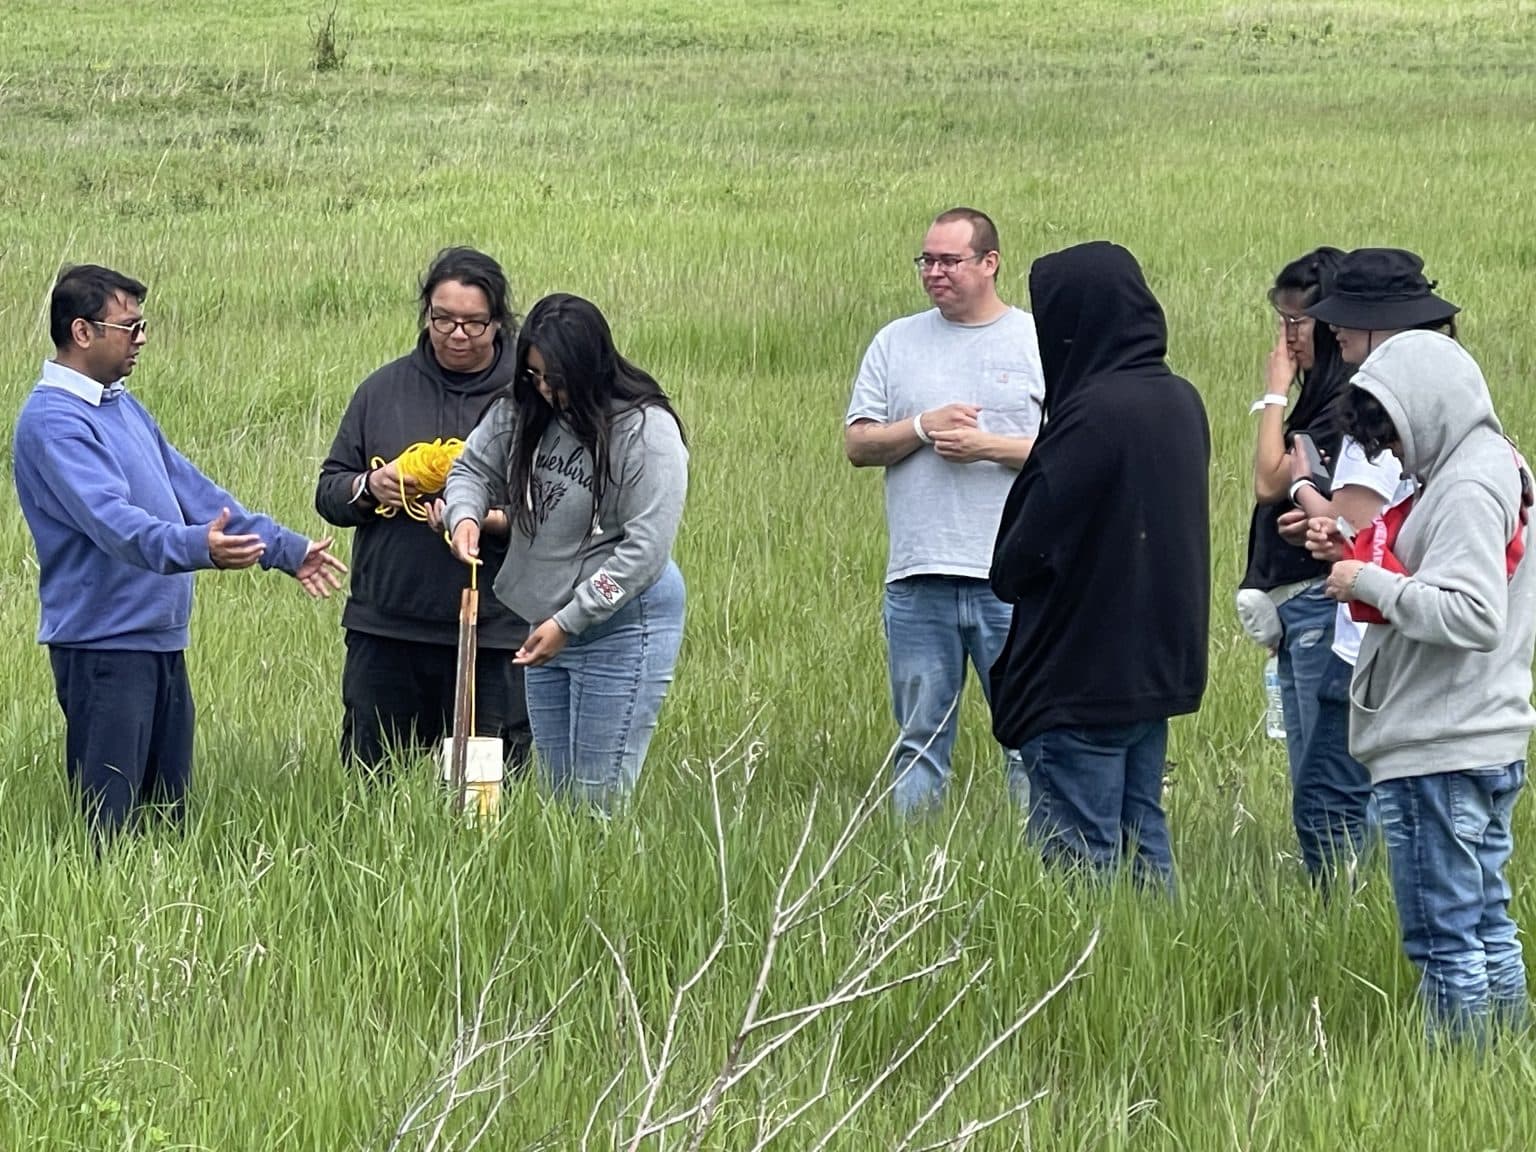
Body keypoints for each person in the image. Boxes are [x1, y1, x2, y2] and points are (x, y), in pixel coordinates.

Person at [12, 264, 346, 842]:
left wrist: (285, 550)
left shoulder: (122, 406)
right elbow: (115, 524)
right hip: (104, 647)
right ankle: (102, 926)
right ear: (83, 331)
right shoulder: (52, 421)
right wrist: (201, 549)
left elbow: (193, 492)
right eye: (130, 328)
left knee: (168, 822)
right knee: (109, 831)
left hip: (158, 639)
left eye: (142, 326)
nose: (140, 340)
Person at [1320, 330, 1534, 1043]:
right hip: (1478, 731)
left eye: (1396, 437)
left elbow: (1472, 612)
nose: (1395, 456)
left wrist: (1365, 580)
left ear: (1429, 411)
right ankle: (1507, 1061)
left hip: (1441, 744)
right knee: (1484, 919)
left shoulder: (1469, 486)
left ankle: (1464, 1072)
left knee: (1445, 938)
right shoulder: (1491, 468)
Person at [989, 241, 1209, 889]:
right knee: (1144, 837)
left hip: (1079, 673)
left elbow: (1018, 557)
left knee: (1079, 862)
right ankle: (1159, 978)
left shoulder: (1089, 417)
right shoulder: (1180, 402)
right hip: (1156, 667)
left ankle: (1084, 982)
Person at [444, 293, 687, 811]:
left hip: (621, 625)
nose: (547, 391)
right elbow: (470, 470)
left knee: (596, 801)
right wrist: (463, 516)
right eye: (534, 376)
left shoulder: (647, 432)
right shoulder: (523, 408)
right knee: (557, 801)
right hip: (545, 624)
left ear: (590, 365)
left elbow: (644, 551)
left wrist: (571, 620)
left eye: (556, 378)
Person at [843, 207, 1044, 816]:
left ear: (990, 263)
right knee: (919, 740)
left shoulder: (1036, 341)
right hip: (917, 575)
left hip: (1010, 576)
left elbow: (1069, 453)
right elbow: (858, 444)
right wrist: (922, 428)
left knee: (1026, 736)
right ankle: (911, 865)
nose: (934, 273)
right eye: (926, 260)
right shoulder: (895, 341)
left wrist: (988, 447)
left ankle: (1037, 859)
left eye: (948, 261)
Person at [1276, 248, 1463, 886]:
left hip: (1372, 641)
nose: (1333, 329)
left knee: (1330, 801)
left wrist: (1305, 490)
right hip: (1385, 630)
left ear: (1387, 326)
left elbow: (1361, 522)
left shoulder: (1384, 416)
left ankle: (1342, 923)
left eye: (1347, 318)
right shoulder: (1443, 409)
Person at [315, 247, 533, 775]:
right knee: (374, 789)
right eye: (443, 319)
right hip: (387, 630)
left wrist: (482, 518)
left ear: (498, 320)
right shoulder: (382, 390)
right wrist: (371, 486)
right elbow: (329, 491)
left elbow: (558, 513)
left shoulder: (530, 397)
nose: (457, 334)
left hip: (495, 635)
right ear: (426, 314)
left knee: (484, 798)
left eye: (474, 323)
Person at [1235, 249, 1347, 787]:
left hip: (1318, 604)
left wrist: (1275, 391)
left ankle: (1342, 872)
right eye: (1281, 322)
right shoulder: (1322, 397)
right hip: (1295, 607)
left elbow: (1267, 480)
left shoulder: (1343, 400)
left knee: (1321, 776)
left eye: (1296, 322)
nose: (1286, 338)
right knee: (1308, 772)